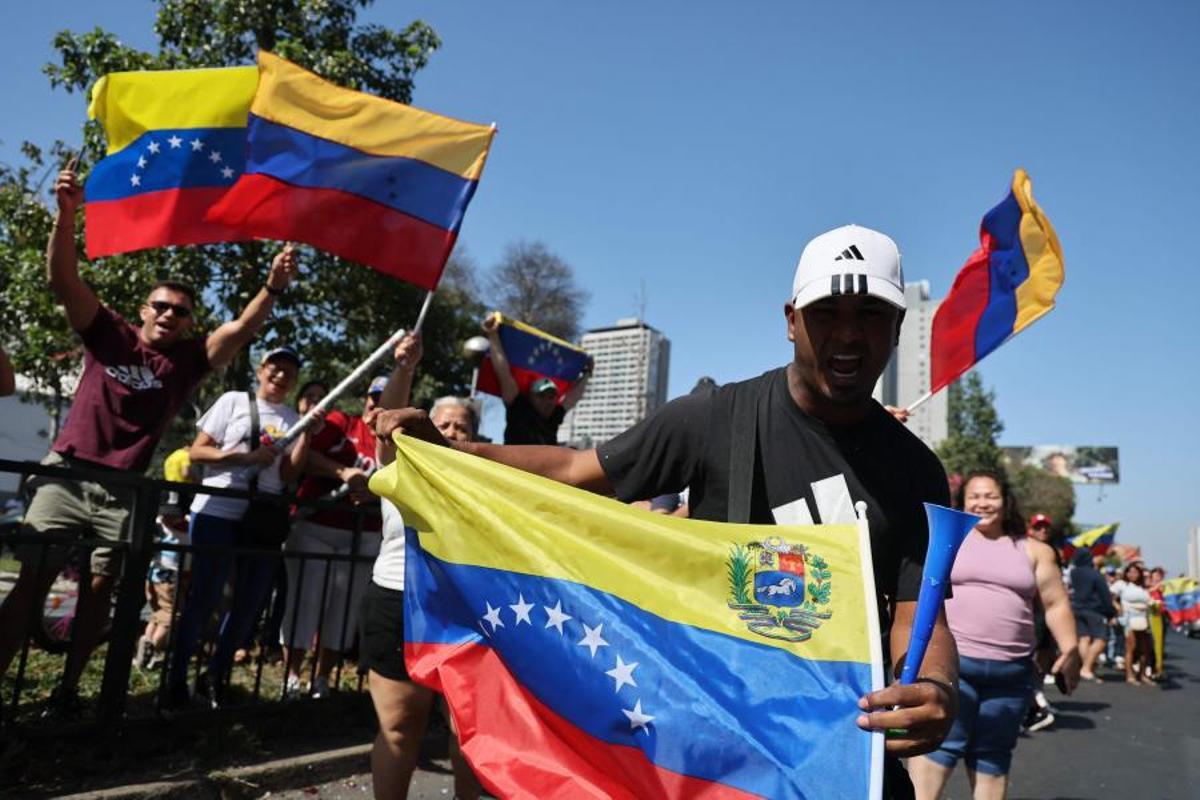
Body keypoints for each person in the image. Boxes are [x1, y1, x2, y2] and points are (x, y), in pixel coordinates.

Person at [378, 224, 959, 799]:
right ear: (790, 321)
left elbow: (918, 613)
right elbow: (578, 473)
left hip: (841, 758)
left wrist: (933, 687)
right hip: (714, 754)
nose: (848, 334)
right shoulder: (716, 418)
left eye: (871, 314)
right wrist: (454, 454)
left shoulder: (916, 471)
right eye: (828, 312)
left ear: (899, 327)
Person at [0, 163, 297, 717]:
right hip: (67, 472)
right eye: (160, 306)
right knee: (30, 582)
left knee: (99, 591)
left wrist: (272, 287)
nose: (168, 314)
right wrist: (67, 217)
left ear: (188, 322)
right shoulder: (107, 332)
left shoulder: (187, 361)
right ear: (143, 311)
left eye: (180, 311)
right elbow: (64, 280)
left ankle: (70, 697)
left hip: (125, 491)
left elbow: (241, 331)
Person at [909, 473, 1080, 800]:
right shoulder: (947, 537)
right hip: (954, 667)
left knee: (992, 756)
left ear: (1006, 501)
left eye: (990, 496)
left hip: (1011, 675)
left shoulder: (1034, 550)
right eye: (975, 496)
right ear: (963, 501)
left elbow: (1056, 603)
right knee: (938, 751)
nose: (982, 503)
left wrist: (1070, 649)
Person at [359, 339, 480, 800]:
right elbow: (390, 413)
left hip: (464, 609)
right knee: (398, 728)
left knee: (467, 729)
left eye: (461, 426)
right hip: (397, 599)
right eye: (442, 422)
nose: (450, 431)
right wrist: (405, 368)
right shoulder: (399, 458)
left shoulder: (486, 474)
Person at [165, 347, 314, 708]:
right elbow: (196, 452)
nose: (281, 376)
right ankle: (175, 680)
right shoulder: (232, 401)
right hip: (217, 509)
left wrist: (308, 433)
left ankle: (216, 676)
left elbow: (290, 475)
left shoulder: (294, 418)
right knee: (206, 596)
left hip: (263, 517)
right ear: (261, 370)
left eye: (289, 373)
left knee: (250, 604)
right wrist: (244, 457)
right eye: (275, 368)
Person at [281, 356, 415, 698]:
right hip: (316, 527)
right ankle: (291, 678)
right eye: (374, 398)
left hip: (366, 536)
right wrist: (342, 473)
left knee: (344, 611)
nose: (378, 406)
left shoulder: (400, 442)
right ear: (366, 399)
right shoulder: (342, 423)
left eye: (387, 399)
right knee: (305, 602)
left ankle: (322, 679)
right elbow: (304, 454)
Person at [481, 313, 591, 445]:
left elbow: (573, 397)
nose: (548, 401)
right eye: (542, 396)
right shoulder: (519, 407)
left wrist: (588, 373)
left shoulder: (554, 417)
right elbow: (503, 372)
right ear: (530, 397)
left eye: (551, 396)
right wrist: (493, 335)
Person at [1068, 547, 1116, 682]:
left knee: (1084, 638)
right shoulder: (1095, 574)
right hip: (1094, 610)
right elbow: (1105, 595)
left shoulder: (1074, 573)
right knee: (1101, 639)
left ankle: (1085, 667)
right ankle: (1086, 668)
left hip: (1077, 608)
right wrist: (1110, 612)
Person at [1113, 563, 1154, 686]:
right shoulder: (1122, 585)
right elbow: (1111, 598)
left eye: (1135, 572)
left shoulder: (1143, 588)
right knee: (1131, 646)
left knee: (1145, 649)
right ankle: (1130, 674)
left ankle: (1142, 674)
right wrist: (1118, 608)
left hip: (1144, 618)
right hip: (1130, 618)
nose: (1132, 574)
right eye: (1130, 572)